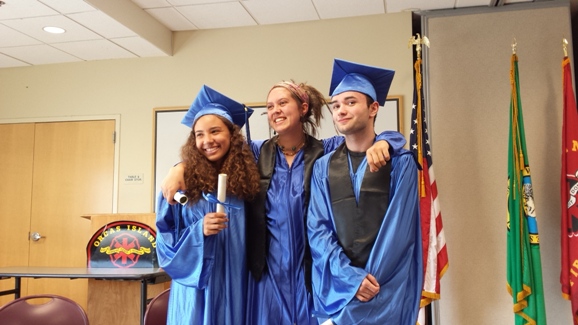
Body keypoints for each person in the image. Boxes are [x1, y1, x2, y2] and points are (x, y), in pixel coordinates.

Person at [161, 81, 407, 324]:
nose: (275, 110)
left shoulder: (327, 150)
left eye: (282, 103)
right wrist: (179, 167)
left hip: (309, 270)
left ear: (302, 108)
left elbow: (360, 135)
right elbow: (212, 148)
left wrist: (387, 140)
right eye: (269, 106)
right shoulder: (255, 153)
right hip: (266, 275)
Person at [306, 59, 423, 324]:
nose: (340, 111)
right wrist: (350, 280)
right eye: (335, 105)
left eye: (350, 102)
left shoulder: (400, 163)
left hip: (385, 293)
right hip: (339, 292)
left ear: (373, 108)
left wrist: (368, 284)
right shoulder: (323, 167)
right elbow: (318, 230)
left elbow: (399, 234)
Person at [155, 85, 261, 325]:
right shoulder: (180, 183)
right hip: (195, 287)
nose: (207, 140)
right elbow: (164, 241)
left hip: (236, 280)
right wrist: (197, 231)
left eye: (215, 131)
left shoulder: (248, 178)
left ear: (231, 135)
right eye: (199, 134)